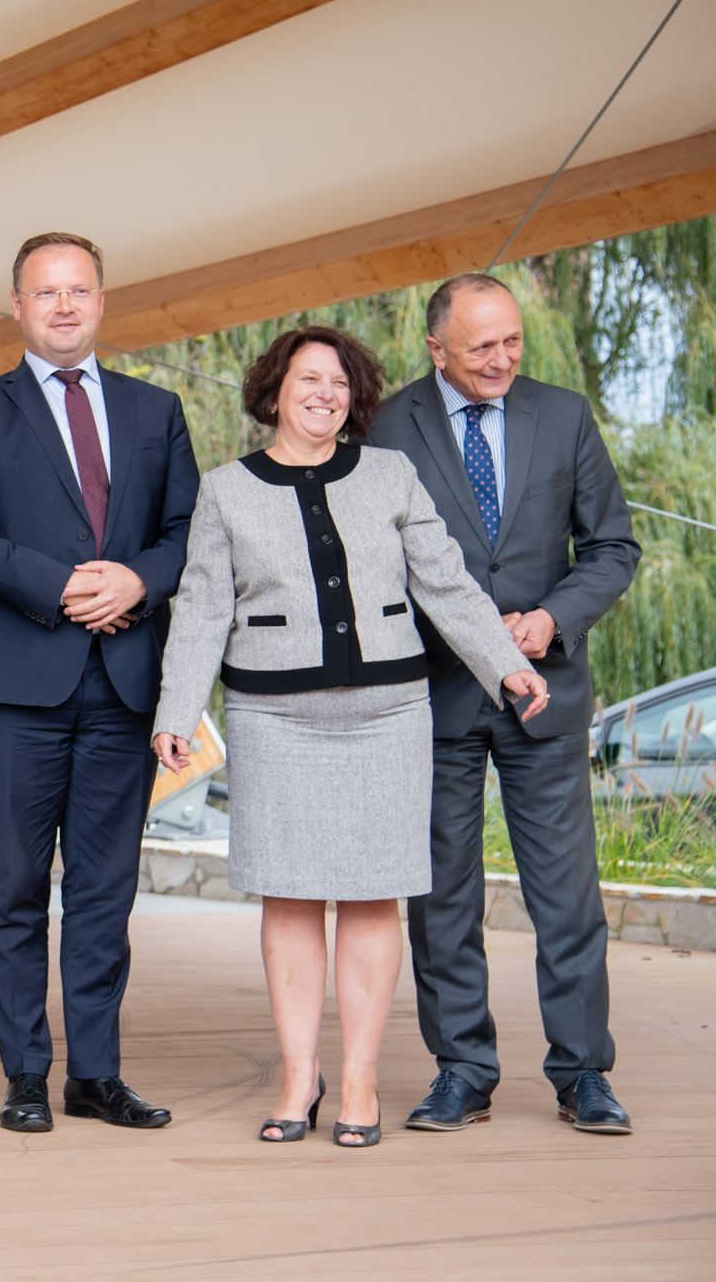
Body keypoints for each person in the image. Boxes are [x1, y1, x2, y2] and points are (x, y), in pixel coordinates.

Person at [151, 326, 548, 1147]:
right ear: (274, 392)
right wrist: (176, 712)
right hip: (273, 716)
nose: (325, 394)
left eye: (339, 383)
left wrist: (506, 664)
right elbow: (202, 609)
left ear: (354, 398)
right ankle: (300, 1076)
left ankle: (360, 1077)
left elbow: (447, 582)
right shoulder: (226, 490)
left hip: (388, 713)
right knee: (290, 893)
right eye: (308, 379)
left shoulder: (391, 474)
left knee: (374, 894)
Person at [0, 232, 198, 1135]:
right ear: (18, 306)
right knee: (12, 888)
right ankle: (25, 1075)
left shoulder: (157, 410)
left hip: (124, 683)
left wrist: (136, 581)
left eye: (79, 289)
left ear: (102, 300)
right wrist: (66, 585)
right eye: (47, 292)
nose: (65, 305)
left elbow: (188, 532)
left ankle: (96, 1074)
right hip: (16, 683)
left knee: (104, 892)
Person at [367, 274, 641, 1136]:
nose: (502, 358)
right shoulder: (386, 426)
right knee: (442, 897)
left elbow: (612, 545)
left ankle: (583, 1072)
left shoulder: (564, 415)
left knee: (567, 895)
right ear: (435, 347)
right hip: (433, 693)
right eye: (482, 345)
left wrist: (551, 617)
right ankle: (462, 1069)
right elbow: (370, 565)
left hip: (544, 690)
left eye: (512, 340)